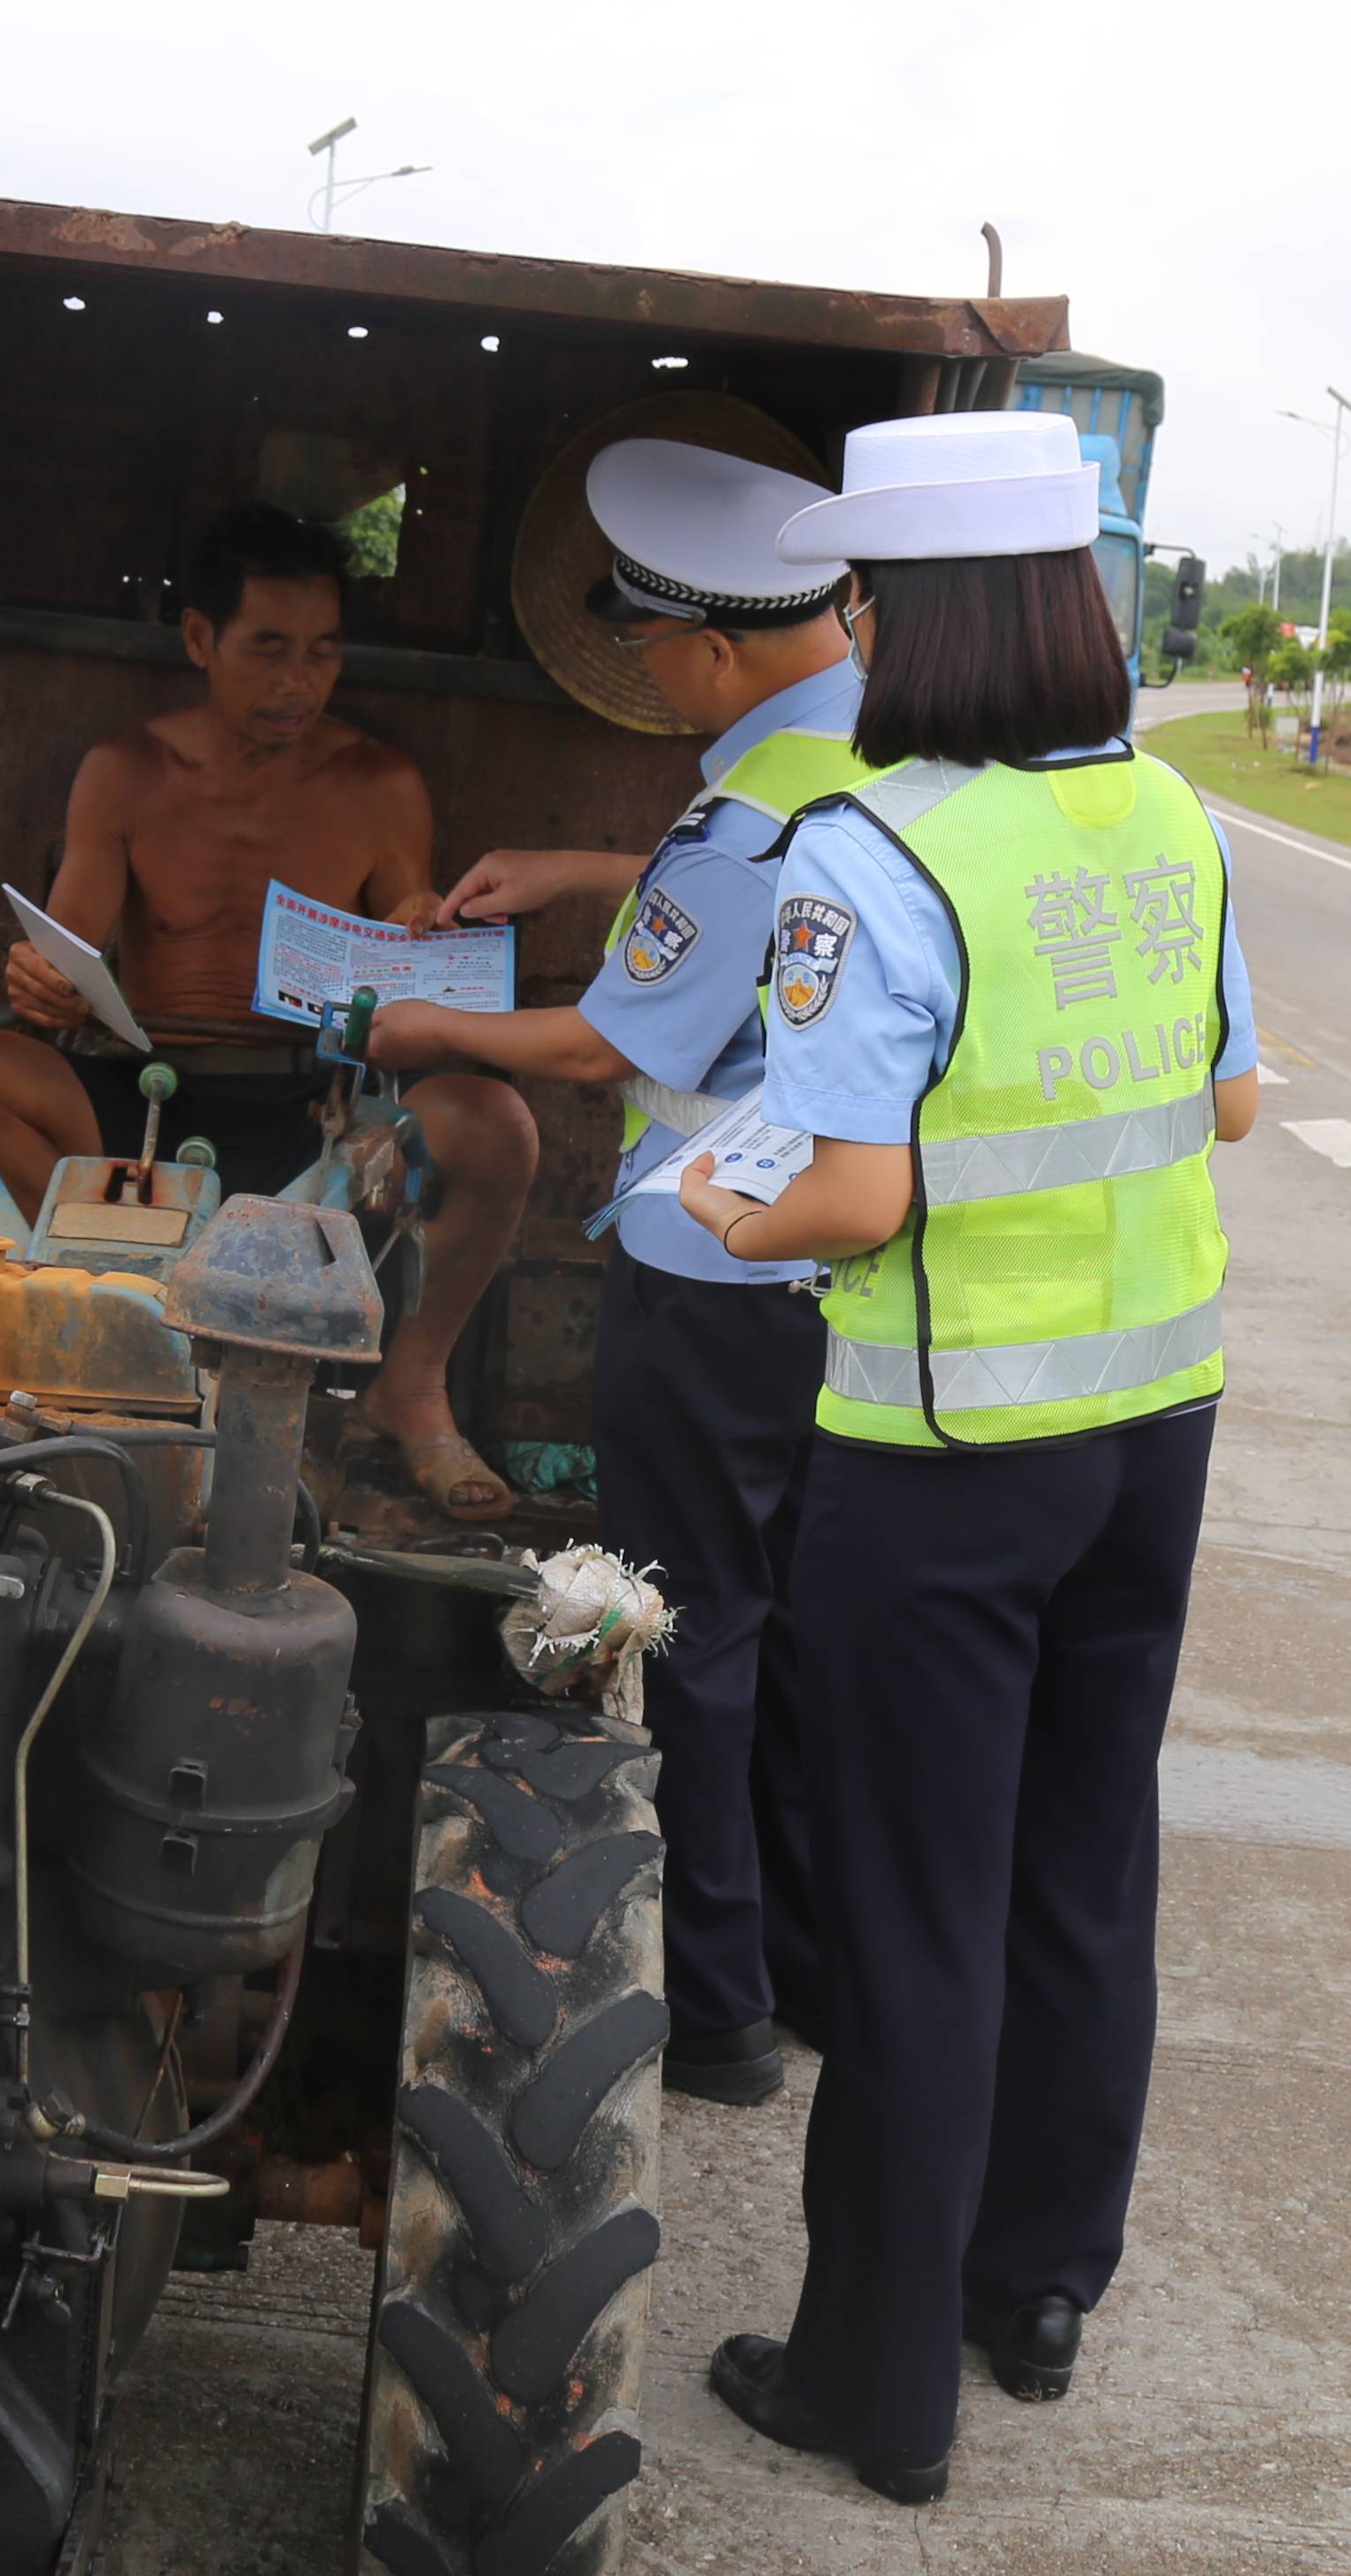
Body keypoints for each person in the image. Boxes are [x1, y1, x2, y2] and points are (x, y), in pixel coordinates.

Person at [676, 411, 1260, 2506]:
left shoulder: (873, 848)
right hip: (1145, 1433)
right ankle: (1034, 2293)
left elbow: (836, 1195)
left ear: (902, 616)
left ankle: (872, 2388)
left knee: (911, 1915)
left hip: (933, 1459)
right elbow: (1229, 1105)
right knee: (1080, 1868)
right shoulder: (1168, 815)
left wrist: (726, 1205)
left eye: (851, 600)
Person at [361, 437, 867, 2106]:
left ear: (716, 648)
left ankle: (711, 2003)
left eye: (651, 647)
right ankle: (790, 1964)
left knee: (695, 1634)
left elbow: (596, 1046)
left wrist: (417, 1019)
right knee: (791, 1628)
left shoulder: (735, 820)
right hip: (842, 1269)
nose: (648, 676)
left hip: (713, 1262)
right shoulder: (881, 752)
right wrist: (594, 876)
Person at [0, 502, 539, 1520]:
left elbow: (405, 946)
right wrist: (40, 980)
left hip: (314, 1118)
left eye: (324, 652)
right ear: (201, 640)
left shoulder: (379, 781)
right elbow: (67, 955)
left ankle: (408, 1390)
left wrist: (417, 937)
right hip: (144, 1104)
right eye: (269, 650)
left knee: (496, 1123)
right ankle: (121, 1338)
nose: (301, 682)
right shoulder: (125, 771)